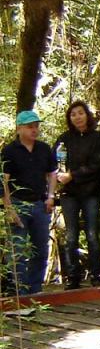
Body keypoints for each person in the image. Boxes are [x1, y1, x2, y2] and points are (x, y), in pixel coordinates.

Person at [2, 111, 57, 295]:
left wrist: (50, 196)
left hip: (40, 203)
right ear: (19, 128)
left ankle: (35, 288)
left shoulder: (44, 148)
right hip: (18, 203)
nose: (34, 130)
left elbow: (52, 173)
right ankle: (19, 291)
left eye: (36, 126)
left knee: (40, 248)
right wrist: (9, 208)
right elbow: (4, 181)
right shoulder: (9, 151)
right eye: (30, 127)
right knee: (16, 250)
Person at [54, 101, 100, 288]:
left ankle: (96, 274)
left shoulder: (97, 138)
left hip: (90, 192)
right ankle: (73, 276)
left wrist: (73, 175)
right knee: (71, 236)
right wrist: (61, 178)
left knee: (92, 234)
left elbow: (96, 165)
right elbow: (56, 164)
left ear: (87, 115)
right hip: (69, 194)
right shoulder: (63, 139)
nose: (77, 117)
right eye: (73, 114)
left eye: (80, 113)